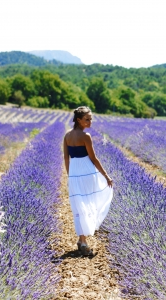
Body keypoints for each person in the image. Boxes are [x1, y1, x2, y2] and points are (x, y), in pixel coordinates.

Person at [63, 106, 113, 256]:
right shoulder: (86, 137)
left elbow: (66, 158)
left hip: (75, 172)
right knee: (89, 202)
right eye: (87, 119)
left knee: (79, 206)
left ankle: (81, 239)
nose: (90, 121)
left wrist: (69, 174)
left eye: (90, 118)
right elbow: (93, 158)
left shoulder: (67, 136)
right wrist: (106, 176)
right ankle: (83, 242)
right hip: (86, 171)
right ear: (79, 120)